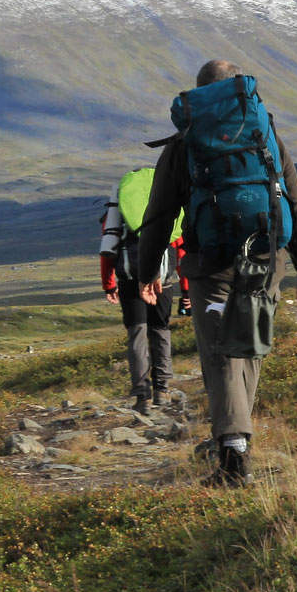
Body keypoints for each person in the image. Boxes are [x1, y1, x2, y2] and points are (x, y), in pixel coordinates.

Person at [136, 59, 297, 487]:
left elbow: (159, 214)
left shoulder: (185, 143)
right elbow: (296, 206)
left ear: (199, 93)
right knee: (249, 347)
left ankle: (233, 452)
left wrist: (151, 272)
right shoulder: (265, 134)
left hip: (211, 264)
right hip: (265, 261)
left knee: (220, 354)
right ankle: (235, 437)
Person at [98, 168, 189, 414]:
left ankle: (142, 396)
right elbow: (180, 249)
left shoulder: (120, 212)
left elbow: (108, 247)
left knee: (137, 334)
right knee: (160, 331)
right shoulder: (168, 211)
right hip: (165, 280)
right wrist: (187, 292)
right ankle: (163, 389)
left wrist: (109, 284)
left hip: (130, 278)